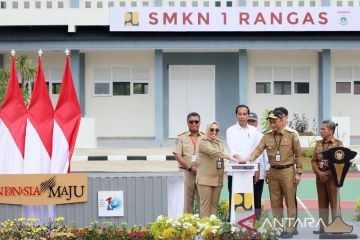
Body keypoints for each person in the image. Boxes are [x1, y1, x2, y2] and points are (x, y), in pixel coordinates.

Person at [245, 109, 303, 239]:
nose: (272, 124)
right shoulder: (267, 136)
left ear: (282, 120)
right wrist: (249, 159)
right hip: (273, 172)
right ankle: (279, 227)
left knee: (290, 200)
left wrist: (298, 172)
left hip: (288, 171)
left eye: (275, 122)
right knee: (275, 201)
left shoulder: (292, 135)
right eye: (270, 122)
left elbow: (299, 154)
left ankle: (290, 228)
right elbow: (258, 150)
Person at [226, 105, 267, 220]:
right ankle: (234, 223)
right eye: (240, 114)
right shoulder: (231, 130)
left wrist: (255, 166)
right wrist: (240, 160)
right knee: (234, 196)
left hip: (251, 170)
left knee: (251, 197)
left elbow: (257, 150)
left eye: (245, 114)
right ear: (236, 115)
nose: (242, 117)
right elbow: (231, 148)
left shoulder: (254, 131)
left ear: (248, 115)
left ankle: (252, 223)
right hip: (235, 170)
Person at [197, 121, 238, 218]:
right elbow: (213, 152)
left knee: (214, 205)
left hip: (217, 179)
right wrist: (229, 156)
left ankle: (212, 229)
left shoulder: (220, 143)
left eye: (217, 130)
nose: (214, 132)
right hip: (205, 179)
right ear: (207, 130)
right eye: (211, 129)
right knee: (205, 206)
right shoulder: (203, 142)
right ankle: (204, 229)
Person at [311, 120, 343, 234]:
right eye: (321, 129)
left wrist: (327, 174)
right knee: (322, 203)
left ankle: (336, 228)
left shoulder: (338, 144)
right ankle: (323, 228)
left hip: (332, 179)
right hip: (320, 178)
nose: (321, 131)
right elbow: (314, 161)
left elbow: (339, 163)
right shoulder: (318, 143)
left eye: (323, 129)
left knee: (334, 203)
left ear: (331, 130)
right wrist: (319, 173)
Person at [173, 112, 205, 213]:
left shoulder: (205, 137)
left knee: (203, 200)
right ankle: (187, 225)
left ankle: (204, 225)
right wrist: (190, 168)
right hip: (186, 172)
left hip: (202, 172)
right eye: (191, 122)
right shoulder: (181, 137)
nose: (194, 123)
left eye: (196, 121)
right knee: (186, 201)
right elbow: (177, 156)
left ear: (200, 123)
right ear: (187, 123)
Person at [247, 112, 270, 220]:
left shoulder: (261, 136)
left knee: (257, 198)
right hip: (244, 172)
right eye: (249, 121)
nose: (251, 123)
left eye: (253, 121)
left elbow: (265, 156)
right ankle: (245, 222)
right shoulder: (242, 134)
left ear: (256, 122)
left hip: (259, 173)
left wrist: (267, 171)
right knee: (246, 198)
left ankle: (256, 222)